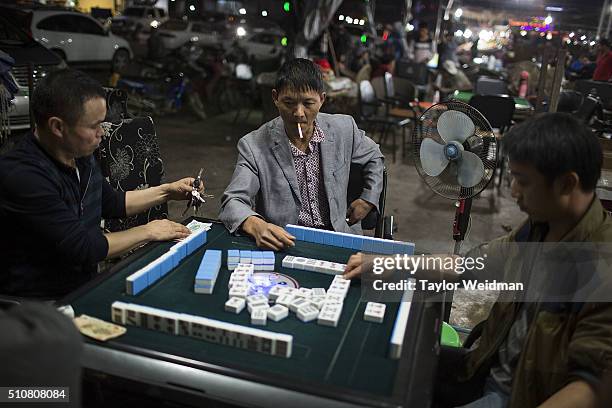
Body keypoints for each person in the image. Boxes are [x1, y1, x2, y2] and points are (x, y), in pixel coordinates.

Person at [343, 113, 612, 407]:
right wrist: (389, 264)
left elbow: (591, 387)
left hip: (517, 398)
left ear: (566, 185)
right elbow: (466, 267)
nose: (513, 192)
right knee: (385, 367)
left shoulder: (601, 266)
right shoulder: (540, 228)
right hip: (484, 369)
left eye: (523, 181)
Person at [0, 69, 200, 299]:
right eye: (94, 126)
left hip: (80, 286)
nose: (101, 134)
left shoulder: (78, 153)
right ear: (57, 127)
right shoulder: (23, 175)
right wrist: (149, 231)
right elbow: (83, 248)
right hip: (37, 303)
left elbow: (112, 203)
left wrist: (168, 191)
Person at [219, 58, 384, 250]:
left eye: (308, 103)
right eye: (288, 102)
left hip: (339, 237)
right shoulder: (254, 145)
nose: (298, 113)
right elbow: (233, 201)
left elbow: (374, 156)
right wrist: (256, 225)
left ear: (322, 99)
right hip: (285, 242)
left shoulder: (344, 129)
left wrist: (369, 198)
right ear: (275, 98)